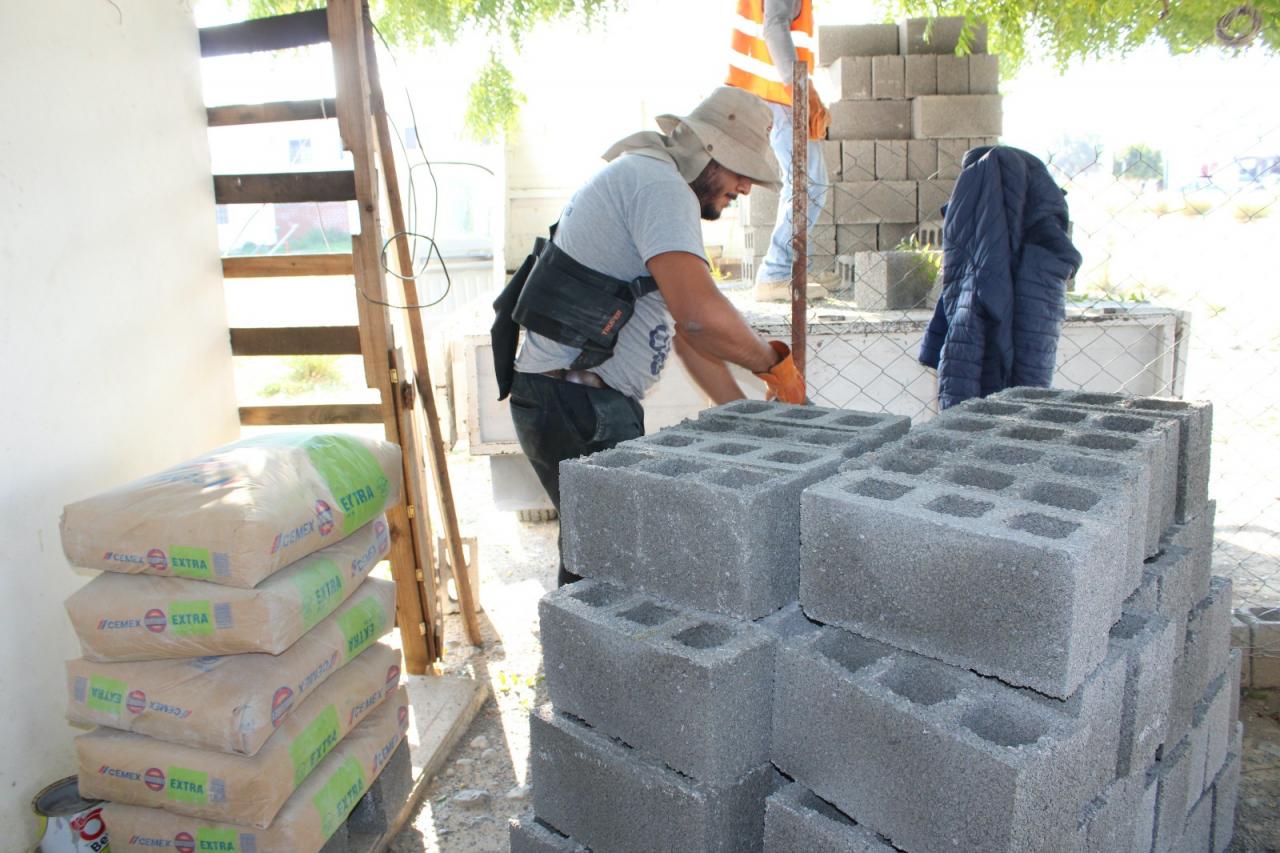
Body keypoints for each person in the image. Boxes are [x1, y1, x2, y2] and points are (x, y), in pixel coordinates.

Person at [491, 86, 806, 586]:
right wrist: (772, 363)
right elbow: (701, 316)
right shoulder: (660, 186)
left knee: (604, 561)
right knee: (611, 569)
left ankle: (587, 634)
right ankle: (585, 638)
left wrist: (741, 411)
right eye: (741, 171)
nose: (746, 188)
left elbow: (686, 332)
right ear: (708, 152)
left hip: (575, 400)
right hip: (575, 403)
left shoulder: (652, 178)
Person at [726, 0, 832, 301]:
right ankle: (776, 274)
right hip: (780, 95)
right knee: (808, 183)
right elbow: (774, 27)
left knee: (803, 183)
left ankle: (787, 272)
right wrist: (800, 91)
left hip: (771, 92)